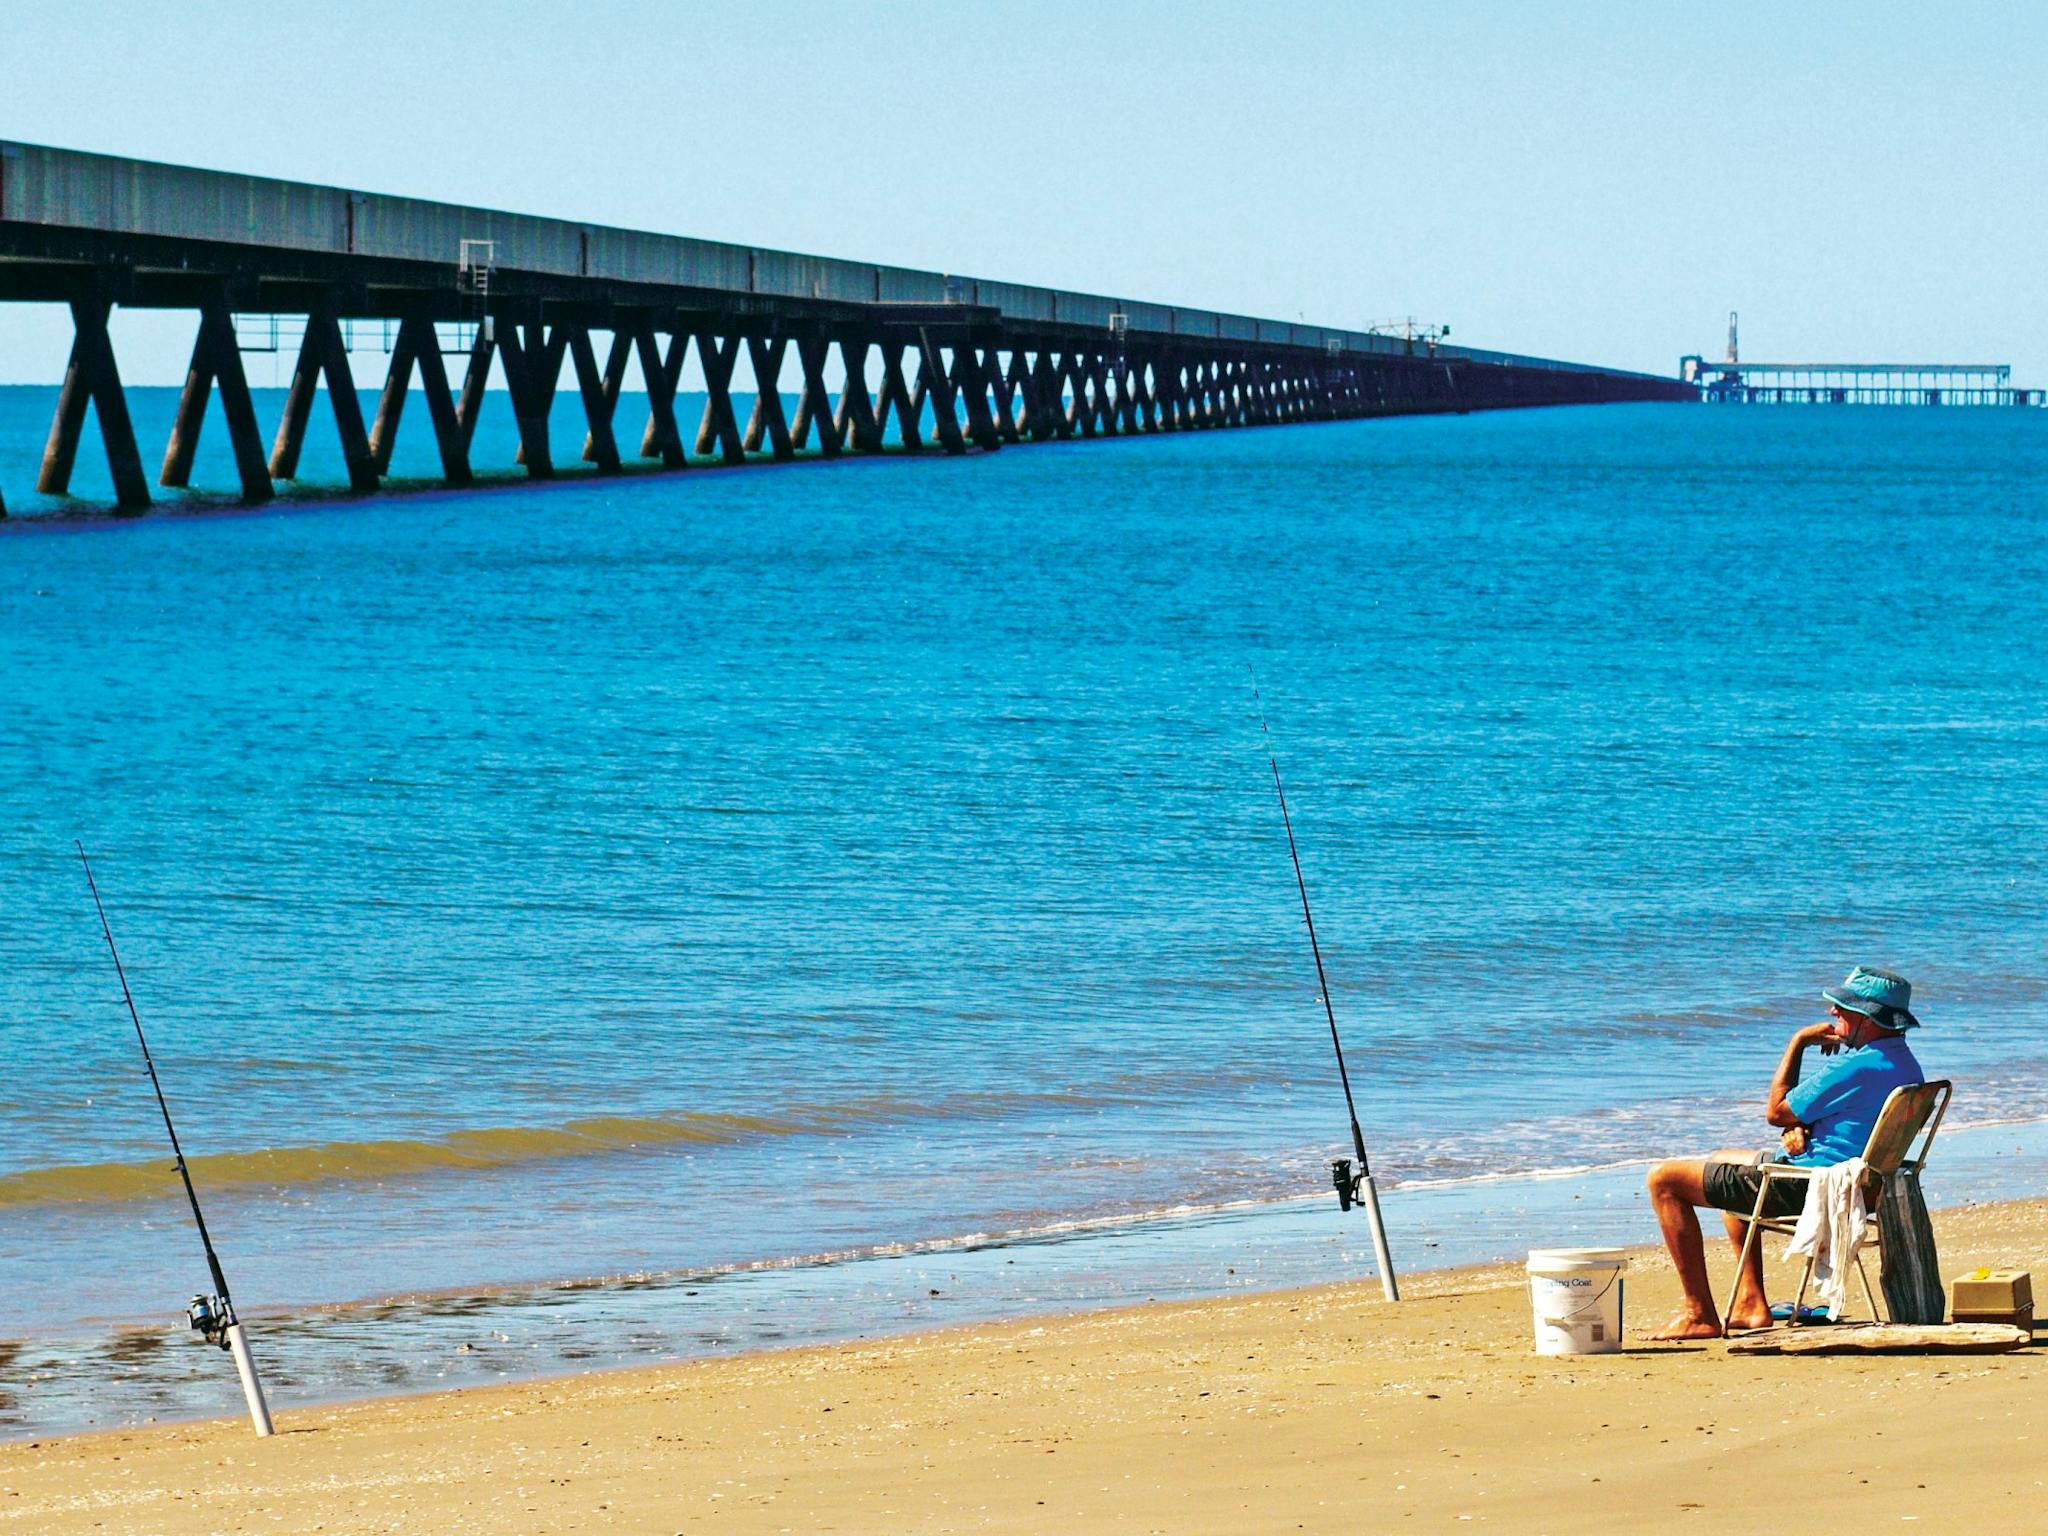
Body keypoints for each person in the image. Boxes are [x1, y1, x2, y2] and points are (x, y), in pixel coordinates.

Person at [1644, 966, 1925, 1340]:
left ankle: (1699, 1314)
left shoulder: (1857, 1064)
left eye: (1843, 1008)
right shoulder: (1904, 1063)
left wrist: (1798, 1042)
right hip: (1866, 1185)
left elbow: (1776, 1111)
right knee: (1725, 1158)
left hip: (1809, 1186)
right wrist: (1800, 1128)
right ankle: (1751, 1301)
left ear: (1868, 1018)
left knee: (1663, 1179)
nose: (1832, 1014)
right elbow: (1840, 1117)